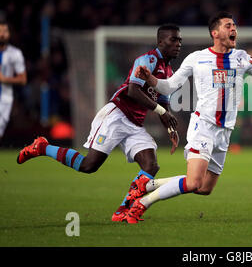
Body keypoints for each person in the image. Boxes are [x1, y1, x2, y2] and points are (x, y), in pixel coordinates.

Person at [122, 11, 252, 224]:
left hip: (225, 132)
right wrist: (150, 78)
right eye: (228, 25)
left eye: (234, 25)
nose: (234, 29)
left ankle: (148, 185)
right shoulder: (197, 58)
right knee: (194, 183)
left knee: (204, 188)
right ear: (215, 33)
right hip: (203, 127)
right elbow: (169, 85)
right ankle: (142, 204)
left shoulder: (242, 57)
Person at [17, 24, 181, 222]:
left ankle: (122, 212)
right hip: (117, 115)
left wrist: (171, 128)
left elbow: (162, 103)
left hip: (135, 124)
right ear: (161, 41)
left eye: (179, 40)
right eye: (174, 39)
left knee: (150, 165)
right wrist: (161, 110)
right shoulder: (148, 60)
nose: (178, 44)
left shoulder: (169, 70)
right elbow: (132, 90)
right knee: (89, 165)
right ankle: (43, 147)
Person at [0, 20, 27, 141]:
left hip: (4, 100)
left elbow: (23, 79)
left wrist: (5, 79)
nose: (2, 34)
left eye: (5, 31)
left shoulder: (15, 53)